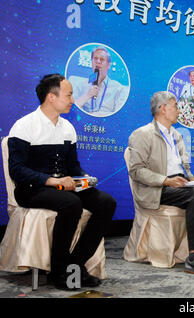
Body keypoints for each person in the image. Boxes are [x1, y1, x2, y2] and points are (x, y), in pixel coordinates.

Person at [8, 74, 117, 289]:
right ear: (51, 97)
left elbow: (73, 168)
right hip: (32, 189)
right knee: (71, 203)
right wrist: (49, 180)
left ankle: (74, 265)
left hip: (64, 187)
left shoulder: (68, 128)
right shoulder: (24, 126)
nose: (73, 100)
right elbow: (17, 170)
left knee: (106, 202)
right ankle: (58, 271)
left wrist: (83, 179)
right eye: (69, 95)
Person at [127, 91, 194, 276]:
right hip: (157, 187)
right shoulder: (142, 134)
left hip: (179, 183)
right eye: (175, 106)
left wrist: (192, 178)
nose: (179, 110)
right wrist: (166, 180)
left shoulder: (176, 135)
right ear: (162, 109)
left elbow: (182, 166)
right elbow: (136, 170)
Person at [69, 46, 129, 115]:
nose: (98, 61)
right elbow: (71, 109)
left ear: (108, 65)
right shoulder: (78, 83)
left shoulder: (118, 89)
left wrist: (96, 115)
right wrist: (87, 95)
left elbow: (119, 115)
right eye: (95, 58)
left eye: (102, 59)